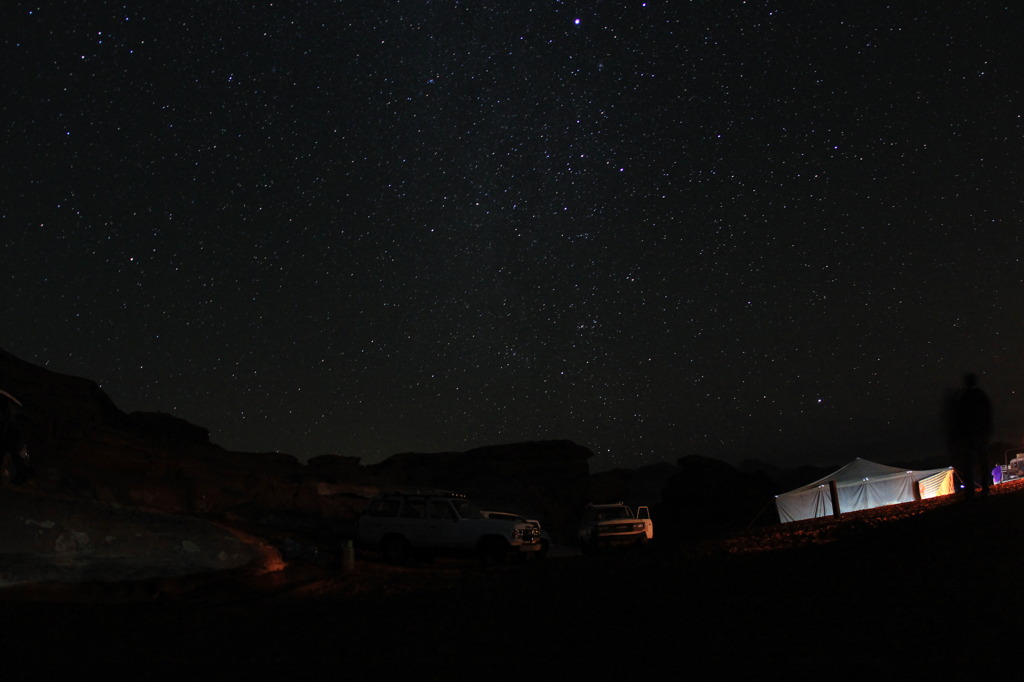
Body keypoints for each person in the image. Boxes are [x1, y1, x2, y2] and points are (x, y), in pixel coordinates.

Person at [944, 373, 994, 497]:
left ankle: (971, 490)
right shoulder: (981, 395)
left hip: (969, 435)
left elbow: (960, 417)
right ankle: (985, 487)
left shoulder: (964, 397)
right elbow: (988, 413)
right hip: (980, 433)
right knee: (983, 461)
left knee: (969, 463)